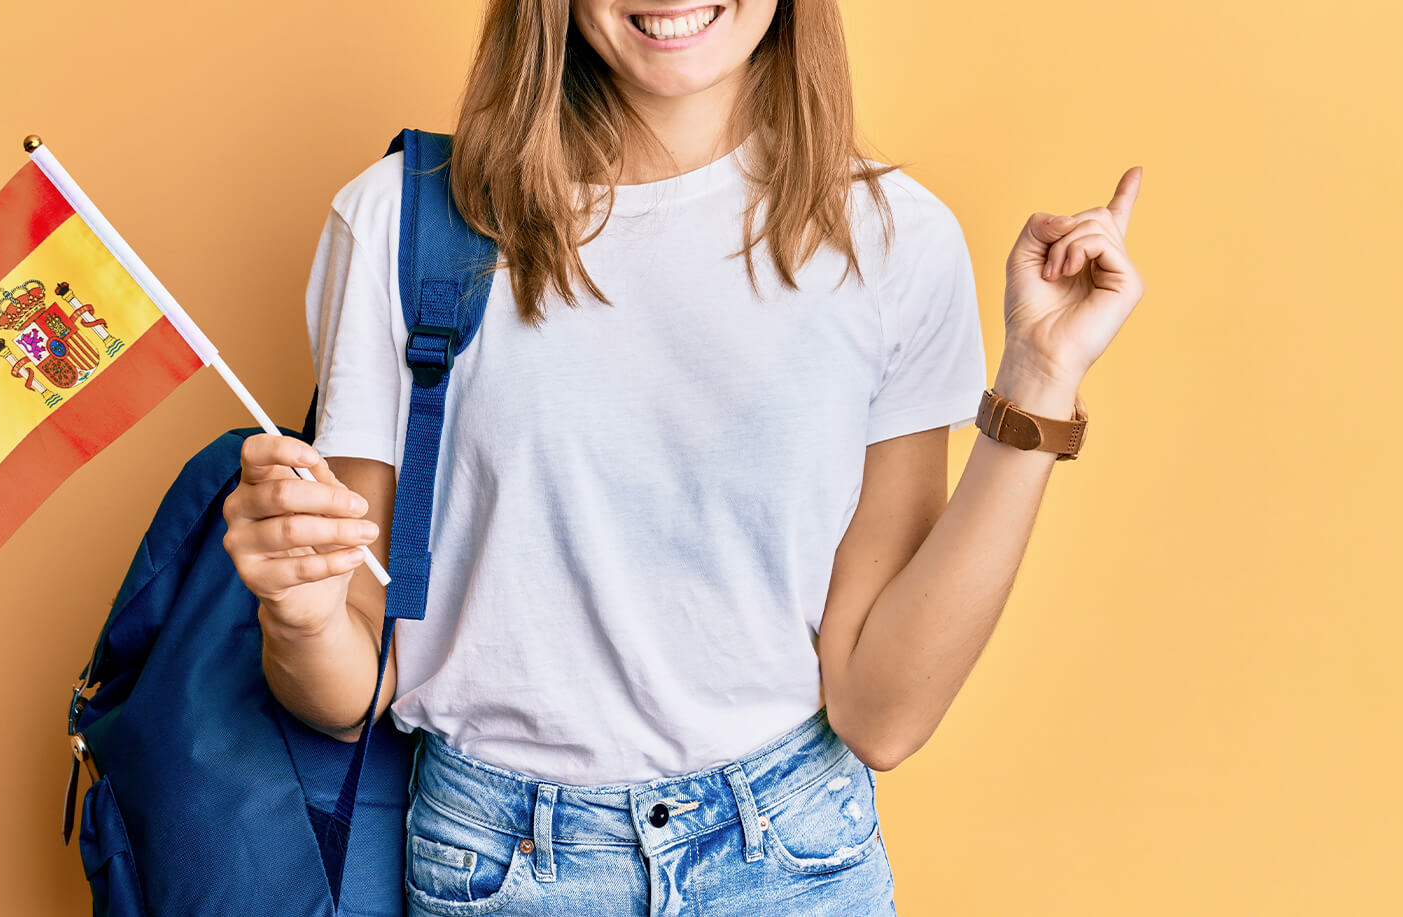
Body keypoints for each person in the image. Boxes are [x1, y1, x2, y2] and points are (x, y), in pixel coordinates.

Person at [221, 1, 1145, 913]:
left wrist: (1039, 376)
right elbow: (350, 689)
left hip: (796, 857)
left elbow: (882, 712)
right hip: (499, 865)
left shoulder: (894, 237)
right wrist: (299, 615)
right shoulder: (398, 223)